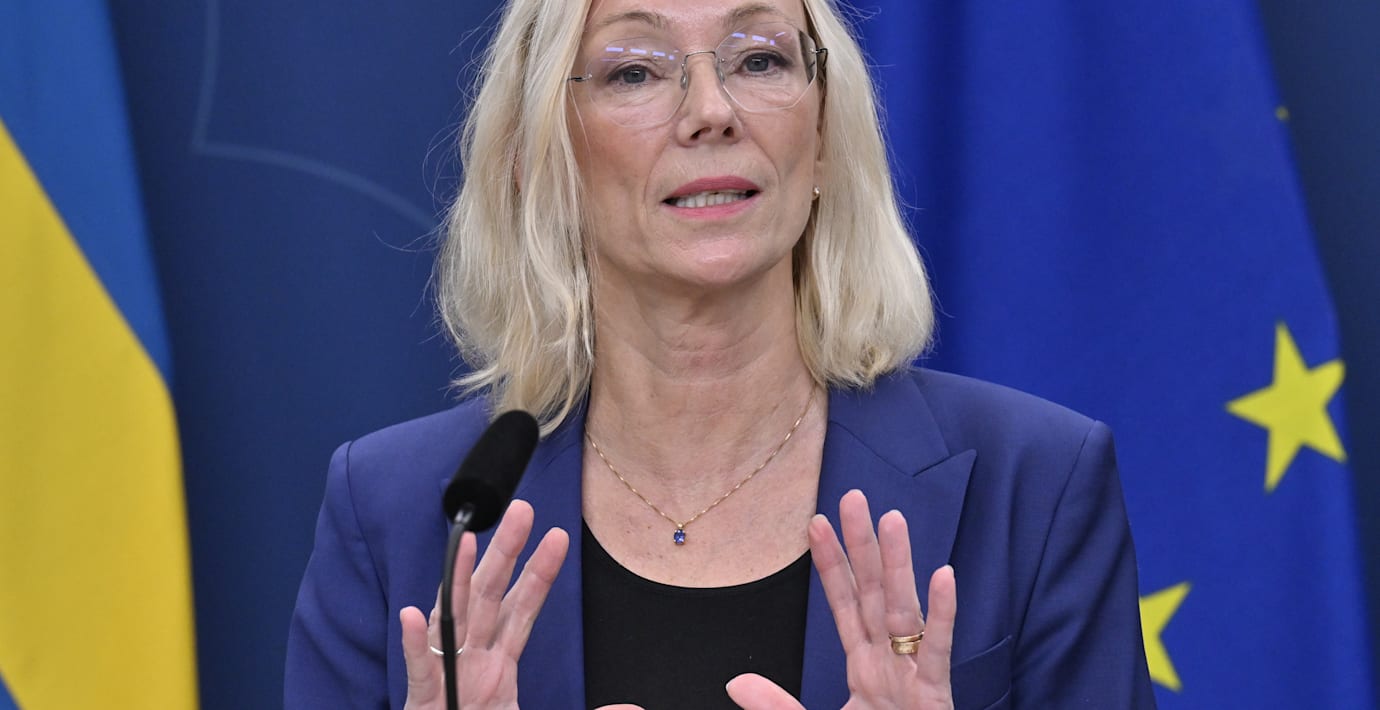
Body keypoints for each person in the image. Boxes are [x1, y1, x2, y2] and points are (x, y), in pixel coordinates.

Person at [285, 0, 1157, 706]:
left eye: (760, 59)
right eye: (635, 70)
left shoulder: (1034, 482)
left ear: (824, 135)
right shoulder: (400, 513)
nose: (711, 112)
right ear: (538, 159)